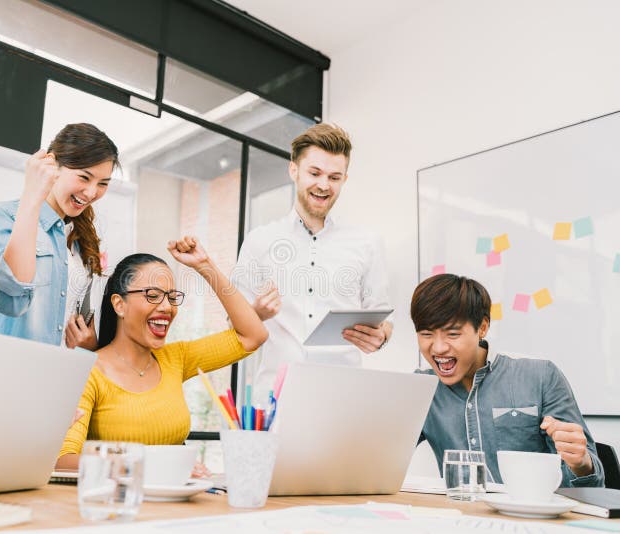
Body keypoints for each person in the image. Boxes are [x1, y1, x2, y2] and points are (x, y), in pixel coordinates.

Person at [55, 236, 268, 470]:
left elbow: (252, 336)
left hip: (177, 503)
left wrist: (205, 265)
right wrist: (154, 465)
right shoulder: (91, 372)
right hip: (121, 503)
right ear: (119, 305)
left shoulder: (176, 358)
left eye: (172, 297)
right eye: (153, 295)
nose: (167, 307)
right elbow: (63, 460)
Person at [233, 123, 392, 398]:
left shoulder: (367, 243)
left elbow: (381, 315)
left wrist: (382, 337)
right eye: (315, 173)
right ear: (294, 170)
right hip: (276, 399)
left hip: (344, 399)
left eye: (334, 177)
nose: (323, 185)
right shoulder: (259, 241)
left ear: (344, 179)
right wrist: (255, 313)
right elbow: (232, 324)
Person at [412, 273, 604, 487]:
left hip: (535, 517)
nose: (438, 348)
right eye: (426, 334)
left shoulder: (541, 377)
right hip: (461, 516)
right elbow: (380, 461)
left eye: (453, 334)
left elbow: (594, 484)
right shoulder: (419, 390)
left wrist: (581, 463)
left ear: (482, 328)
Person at [0, 123, 118, 349]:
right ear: (52, 164)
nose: (91, 193)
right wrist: (33, 191)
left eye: (102, 184)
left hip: (51, 372)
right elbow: (11, 299)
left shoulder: (79, 241)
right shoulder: (3, 217)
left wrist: (87, 344)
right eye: (84, 177)